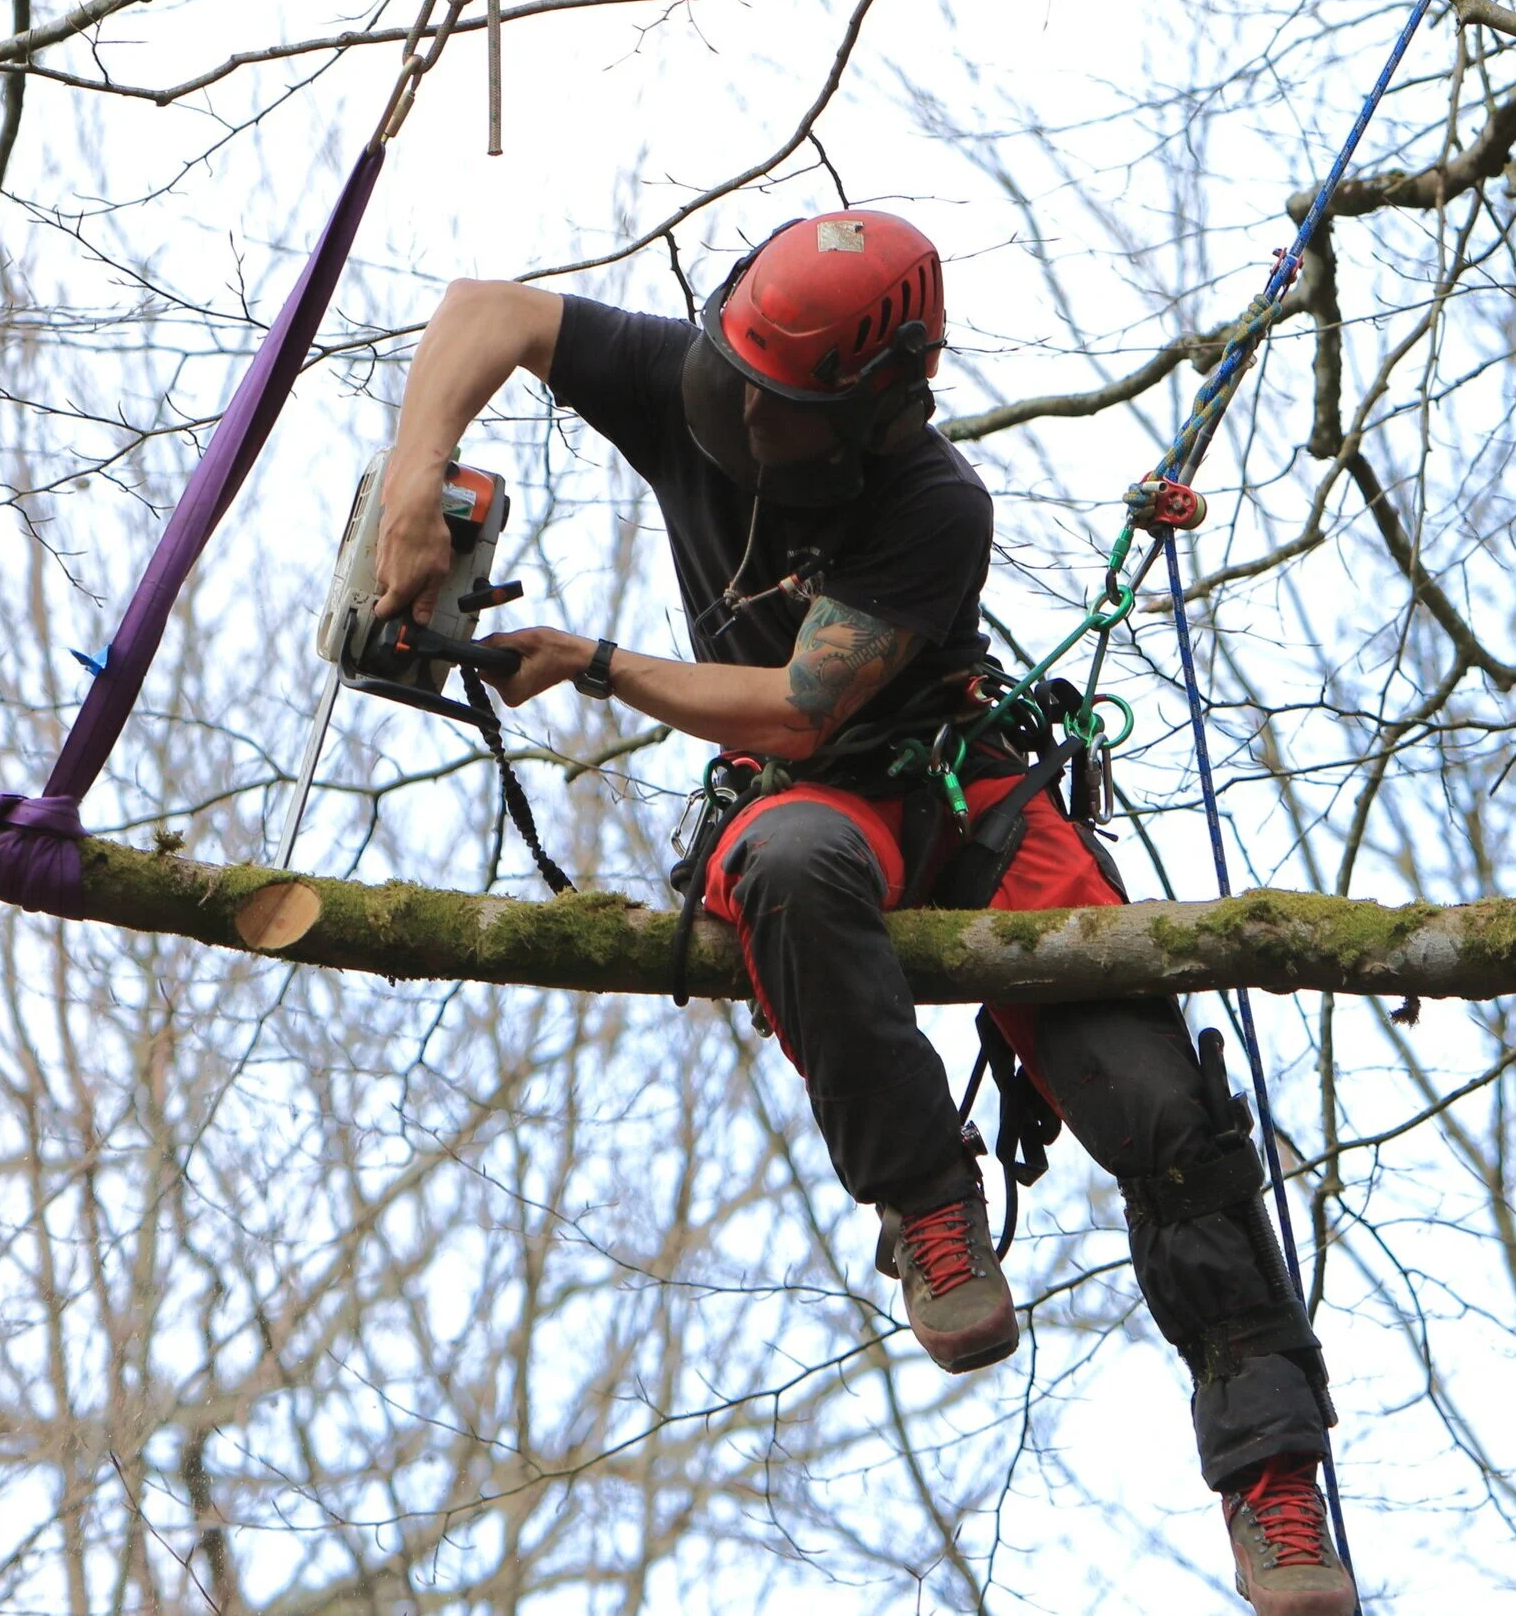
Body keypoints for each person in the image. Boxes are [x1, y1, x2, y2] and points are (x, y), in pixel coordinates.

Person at [372, 213, 1357, 1616]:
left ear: (878, 403)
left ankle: (1270, 1472)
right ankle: (923, 1196)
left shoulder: (931, 502)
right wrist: (418, 477)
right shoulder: (695, 384)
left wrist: (600, 661)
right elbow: (488, 308)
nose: (742, 422)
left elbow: (799, 701)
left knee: (1158, 1114)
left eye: (781, 410)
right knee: (780, 868)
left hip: (960, 791)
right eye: (736, 385)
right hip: (807, 810)